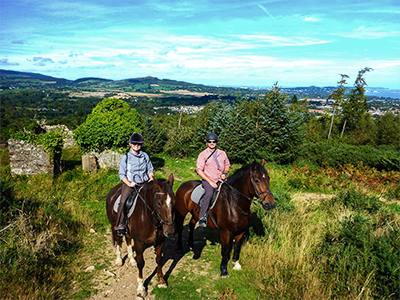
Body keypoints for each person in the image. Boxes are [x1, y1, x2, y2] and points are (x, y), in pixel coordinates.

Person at [115, 133, 154, 236]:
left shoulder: (145, 156)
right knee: (123, 201)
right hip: (131, 184)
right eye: (134, 144)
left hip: (144, 183)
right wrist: (129, 183)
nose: (136, 146)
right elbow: (122, 174)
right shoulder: (126, 157)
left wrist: (151, 177)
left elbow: (150, 168)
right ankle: (120, 224)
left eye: (139, 144)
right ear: (130, 144)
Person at [196, 133, 230, 228]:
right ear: (207, 143)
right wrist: (210, 181)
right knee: (209, 194)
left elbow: (227, 165)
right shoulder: (203, 154)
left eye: (214, 141)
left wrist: (225, 173)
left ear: (216, 142)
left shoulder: (222, 153)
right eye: (209, 142)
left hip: (221, 180)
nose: (212, 143)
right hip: (208, 180)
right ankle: (203, 217)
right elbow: (199, 170)